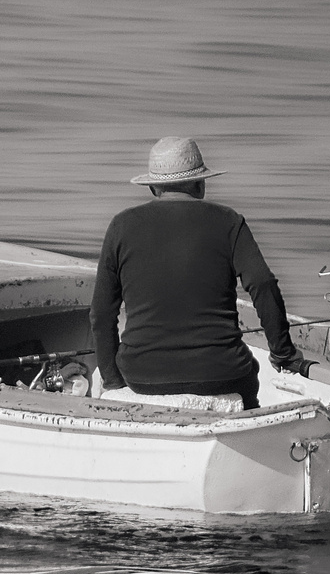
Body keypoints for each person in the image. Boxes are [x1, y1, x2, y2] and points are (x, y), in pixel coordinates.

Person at [91, 137, 307, 414]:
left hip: (142, 376)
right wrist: (283, 353)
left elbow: (101, 314)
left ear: (153, 187)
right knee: (249, 379)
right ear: (200, 184)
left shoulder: (121, 226)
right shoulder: (229, 222)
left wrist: (112, 379)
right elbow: (263, 285)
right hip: (224, 372)